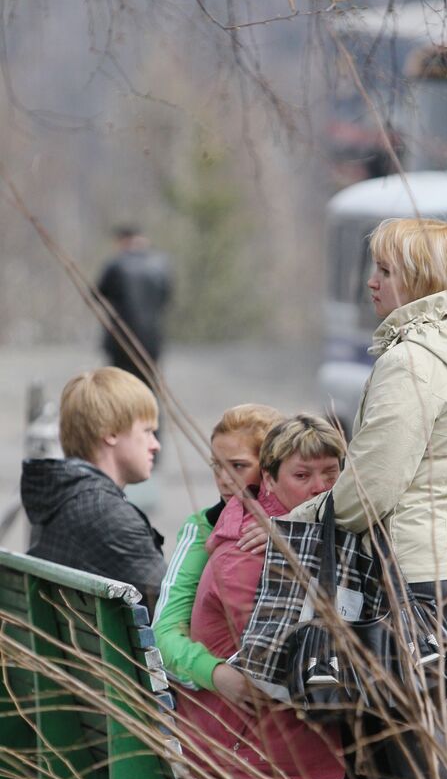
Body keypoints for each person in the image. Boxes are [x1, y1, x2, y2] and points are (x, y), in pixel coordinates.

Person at [289, 218, 447, 779]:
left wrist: (293, 519)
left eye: (385, 271)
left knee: (428, 762)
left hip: (424, 578)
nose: (371, 284)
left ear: (415, 279)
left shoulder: (411, 362)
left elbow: (367, 494)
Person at [177, 415, 346, 779]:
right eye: (302, 476)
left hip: (269, 743)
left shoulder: (293, 534)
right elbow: (281, 664)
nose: (320, 488)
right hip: (254, 754)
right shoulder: (247, 549)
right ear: (268, 480)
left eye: (330, 474)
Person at [153, 403, 284, 690]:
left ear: (270, 468)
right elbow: (164, 632)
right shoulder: (202, 528)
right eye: (217, 466)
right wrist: (214, 673)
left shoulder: (300, 525)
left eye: (238, 466)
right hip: (219, 701)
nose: (224, 480)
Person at [21, 368, 165, 611]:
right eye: (147, 431)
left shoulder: (60, 497)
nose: (156, 445)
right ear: (110, 433)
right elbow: (172, 610)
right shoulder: (105, 514)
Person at [97, 225, 172, 383]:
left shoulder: (116, 265)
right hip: (152, 337)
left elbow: (97, 295)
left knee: (121, 386)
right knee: (148, 383)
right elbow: (167, 297)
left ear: (122, 241)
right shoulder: (161, 264)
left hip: (121, 338)